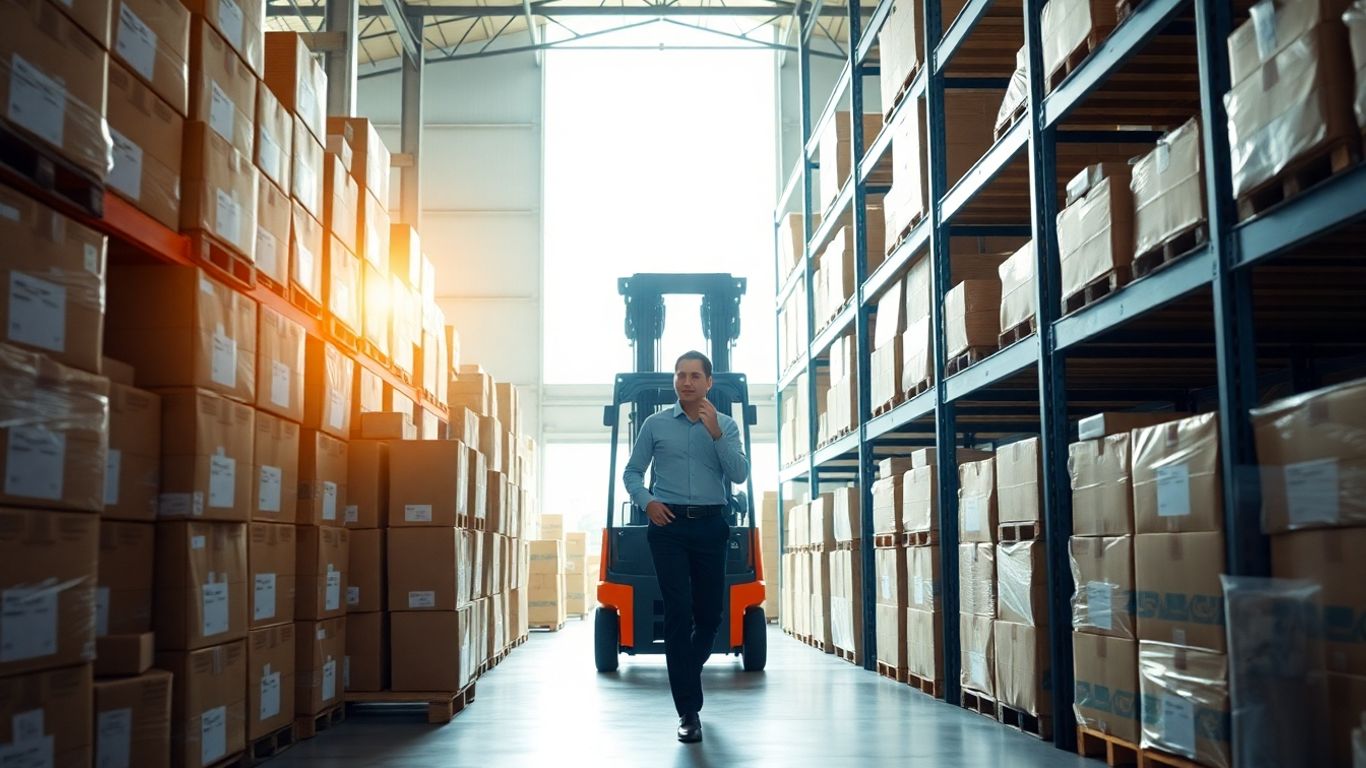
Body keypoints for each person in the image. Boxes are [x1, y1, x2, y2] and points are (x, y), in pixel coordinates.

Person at [622, 350, 750, 744]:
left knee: (710, 616)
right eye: (681, 375)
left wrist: (715, 434)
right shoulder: (655, 424)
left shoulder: (725, 426)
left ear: (709, 382)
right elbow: (632, 472)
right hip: (669, 526)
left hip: (712, 524)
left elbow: (740, 474)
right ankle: (688, 711)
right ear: (674, 380)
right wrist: (648, 502)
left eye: (695, 375)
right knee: (678, 613)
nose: (687, 382)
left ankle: (682, 672)